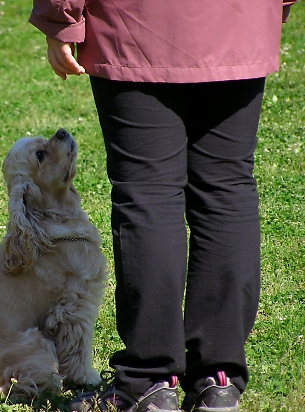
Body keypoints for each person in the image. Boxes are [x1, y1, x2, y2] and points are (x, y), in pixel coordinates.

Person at [29, 1, 296, 411]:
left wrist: (60, 18)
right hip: (241, 16)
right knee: (226, 189)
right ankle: (218, 380)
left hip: (138, 20)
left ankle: (150, 381)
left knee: (148, 190)